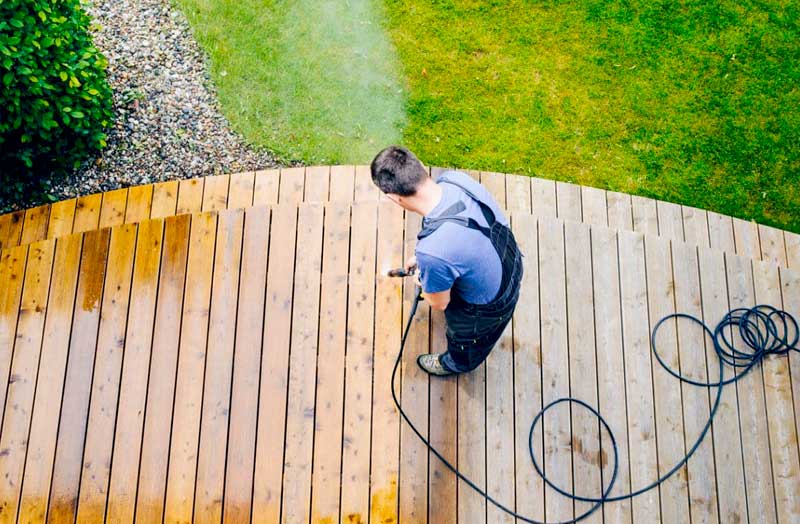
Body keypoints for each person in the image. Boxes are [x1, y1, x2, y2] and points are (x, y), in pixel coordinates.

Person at [370, 145, 523, 376]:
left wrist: (426, 278)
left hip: (490, 307)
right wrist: (428, 260)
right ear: (420, 165)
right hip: (510, 260)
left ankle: (456, 363)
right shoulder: (455, 180)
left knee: (467, 343)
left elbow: (439, 303)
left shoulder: (433, 253)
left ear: (394, 198)